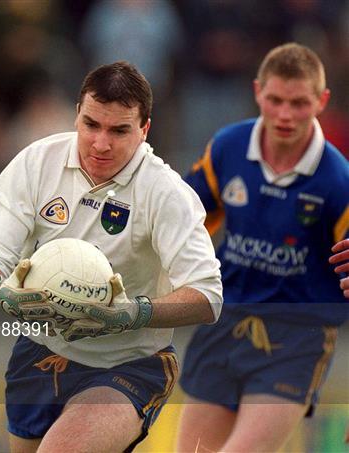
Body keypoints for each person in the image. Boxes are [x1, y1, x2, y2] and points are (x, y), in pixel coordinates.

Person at [0, 61, 223, 452]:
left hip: (129, 365)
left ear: (144, 130)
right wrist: (2, 293)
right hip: (39, 353)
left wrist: (133, 313)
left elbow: (207, 297)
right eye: (91, 125)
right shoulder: (37, 163)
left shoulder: (166, 192)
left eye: (119, 130)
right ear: (77, 115)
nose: (101, 143)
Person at [177, 43, 349, 453]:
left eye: (299, 103)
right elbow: (179, 223)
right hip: (225, 320)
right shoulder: (227, 148)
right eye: (275, 100)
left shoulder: (338, 181)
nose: (285, 115)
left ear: (321, 101)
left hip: (297, 337)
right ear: (258, 92)